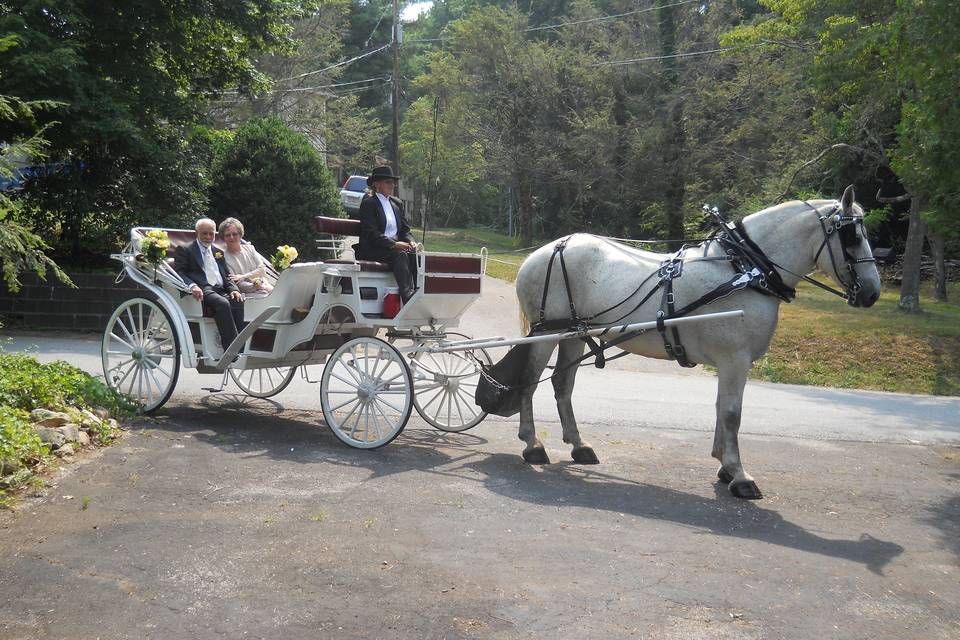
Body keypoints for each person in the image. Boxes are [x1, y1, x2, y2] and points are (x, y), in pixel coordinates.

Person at [173, 218, 245, 350]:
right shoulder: (185, 250)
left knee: (238, 300)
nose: (208, 237)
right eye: (204, 233)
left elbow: (227, 276)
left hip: (220, 288)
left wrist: (234, 290)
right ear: (197, 233)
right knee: (222, 303)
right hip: (202, 288)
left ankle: (242, 345)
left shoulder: (218, 252)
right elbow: (180, 273)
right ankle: (232, 349)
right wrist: (192, 285)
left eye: (211, 233)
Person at [355, 165, 418, 303]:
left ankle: (419, 291)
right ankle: (407, 296)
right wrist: (394, 244)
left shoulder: (397, 203)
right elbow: (371, 233)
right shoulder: (369, 203)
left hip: (395, 248)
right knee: (400, 254)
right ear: (376, 184)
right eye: (388, 182)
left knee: (415, 253)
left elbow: (405, 230)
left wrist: (410, 241)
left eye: (393, 182)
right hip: (374, 249)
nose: (392, 185)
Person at [218, 217, 274, 297]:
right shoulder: (223, 257)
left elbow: (262, 269)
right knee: (265, 295)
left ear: (240, 235)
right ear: (223, 238)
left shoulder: (250, 248)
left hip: (264, 284)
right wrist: (259, 286)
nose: (231, 237)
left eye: (234, 234)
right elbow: (237, 284)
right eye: (227, 235)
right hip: (247, 293)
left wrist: (243, 276)